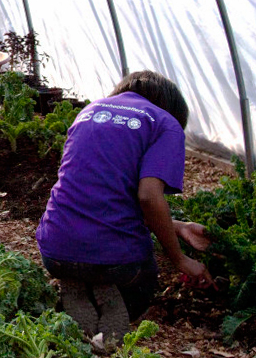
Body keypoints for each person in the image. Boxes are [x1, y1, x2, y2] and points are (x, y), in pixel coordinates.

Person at [36, 71, 213, 346]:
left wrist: (178, 227)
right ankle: (108, 295)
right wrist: (180, 259)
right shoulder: (165, 123)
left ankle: (75, 285)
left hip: (54, 249)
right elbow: (148, 197)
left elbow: (101, 194)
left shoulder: (89, 112)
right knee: (143, 281)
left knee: (83, 263)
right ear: (171, 107)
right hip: (117, 262)